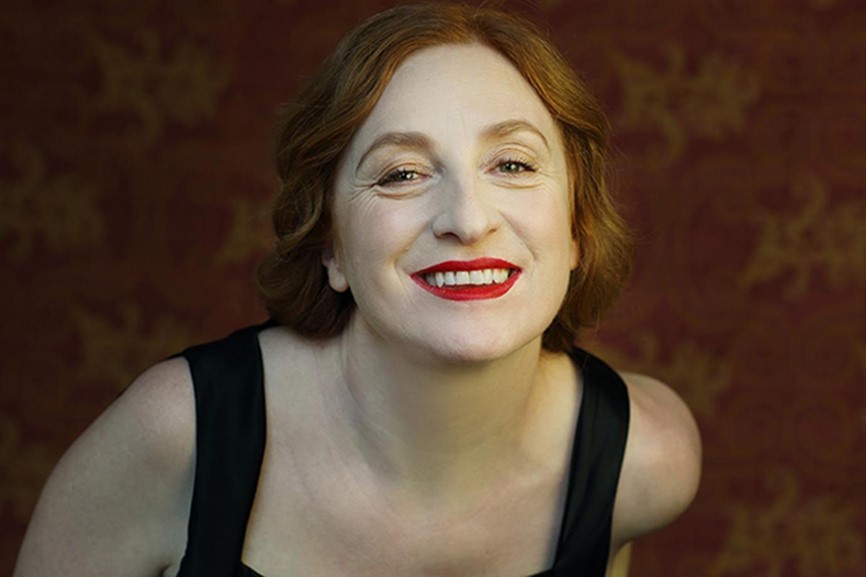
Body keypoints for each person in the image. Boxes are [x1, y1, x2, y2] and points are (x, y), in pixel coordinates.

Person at [14, 3, 701, 576]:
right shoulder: (178, 436)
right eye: (401, 174)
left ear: (577, 228)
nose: (468, 220)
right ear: (331, 244)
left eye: (514, 164)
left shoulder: (644, 459)